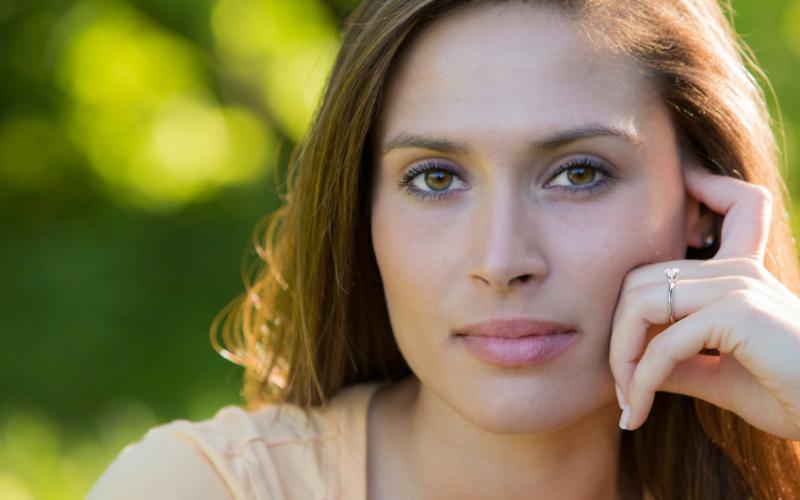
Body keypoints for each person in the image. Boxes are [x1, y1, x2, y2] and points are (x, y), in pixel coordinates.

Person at [88, 0, 800, 498]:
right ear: (361, 213)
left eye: (578, 173)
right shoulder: (199, 489)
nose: (501, 259)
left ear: (703, 208)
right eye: (435, 178)